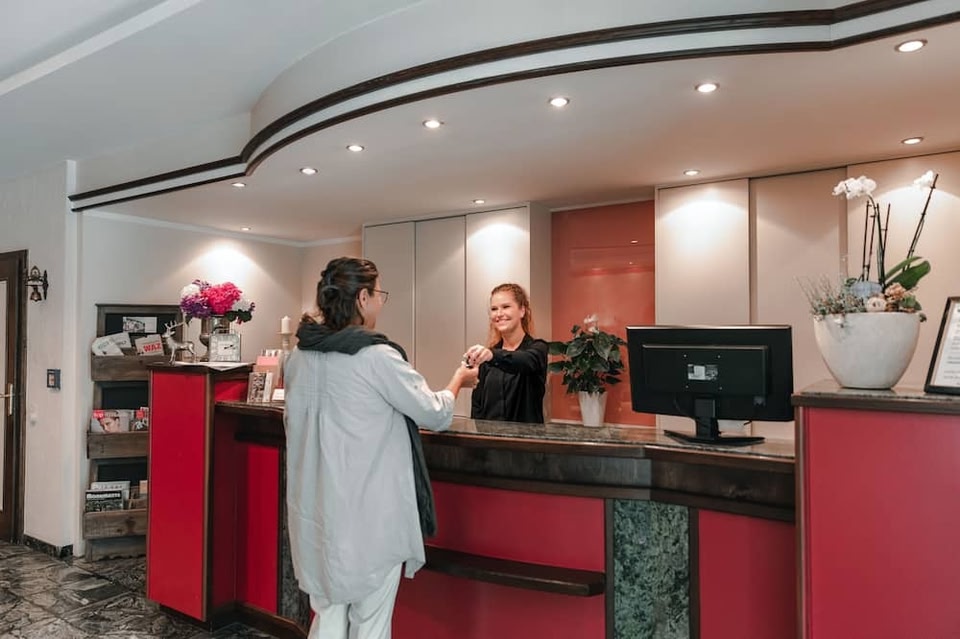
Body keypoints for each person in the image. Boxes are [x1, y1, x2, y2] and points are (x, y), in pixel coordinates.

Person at [283, 257, 477, 639]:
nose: (380, 303)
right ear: (362, 298)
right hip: (369, 518)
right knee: (370, 624)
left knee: (327, 619)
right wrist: (459, 380)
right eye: (379, 294)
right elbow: (435, 413)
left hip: (316, 513)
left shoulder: (299, 358)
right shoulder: (376, 357)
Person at [464, 283, 548, 423]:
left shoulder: (538, 349)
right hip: (489, 436)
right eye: (494, 309)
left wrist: (493, 355)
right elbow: (477, 406)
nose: (499, 314)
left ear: (522, 311)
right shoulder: (487, 358)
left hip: (525, 436)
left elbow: (526, 361)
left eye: (506, 307)